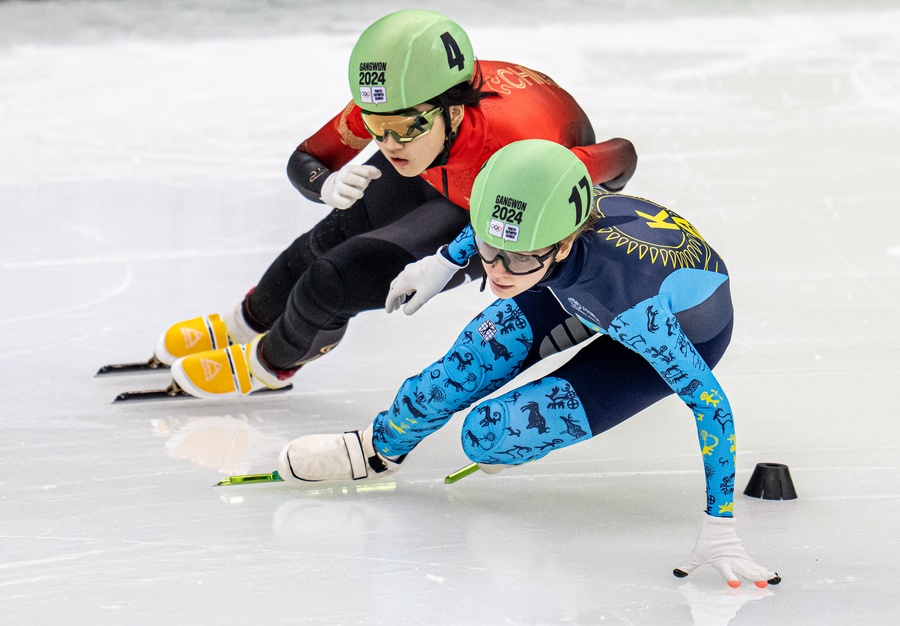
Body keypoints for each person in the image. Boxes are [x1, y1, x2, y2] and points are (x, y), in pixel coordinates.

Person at [276, 139, 781, 588]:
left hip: (656, 328)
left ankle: (520, 436)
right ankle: (376, 450)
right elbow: (503, 229)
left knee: (488, 436)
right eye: (491, 252)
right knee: (473, 355)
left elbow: (710, 403)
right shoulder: (536, 228)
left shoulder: (635, 305)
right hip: (574, 288)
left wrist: (721, 526)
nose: (496, 272)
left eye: (516, 260)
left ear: (563, 243)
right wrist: (446, 261)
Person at [153, 9, 637, 398]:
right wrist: (324, 183)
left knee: (332, 281)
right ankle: (244, 322)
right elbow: (309, 157)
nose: (385, 142)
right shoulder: (407, 105)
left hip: (497, 191)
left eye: (400, 127)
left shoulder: (522, 148)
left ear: (453, 108)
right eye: (374, 125)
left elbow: (622, 156)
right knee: (324, 237)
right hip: (445, 165)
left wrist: (557, 204)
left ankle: (268, 365)